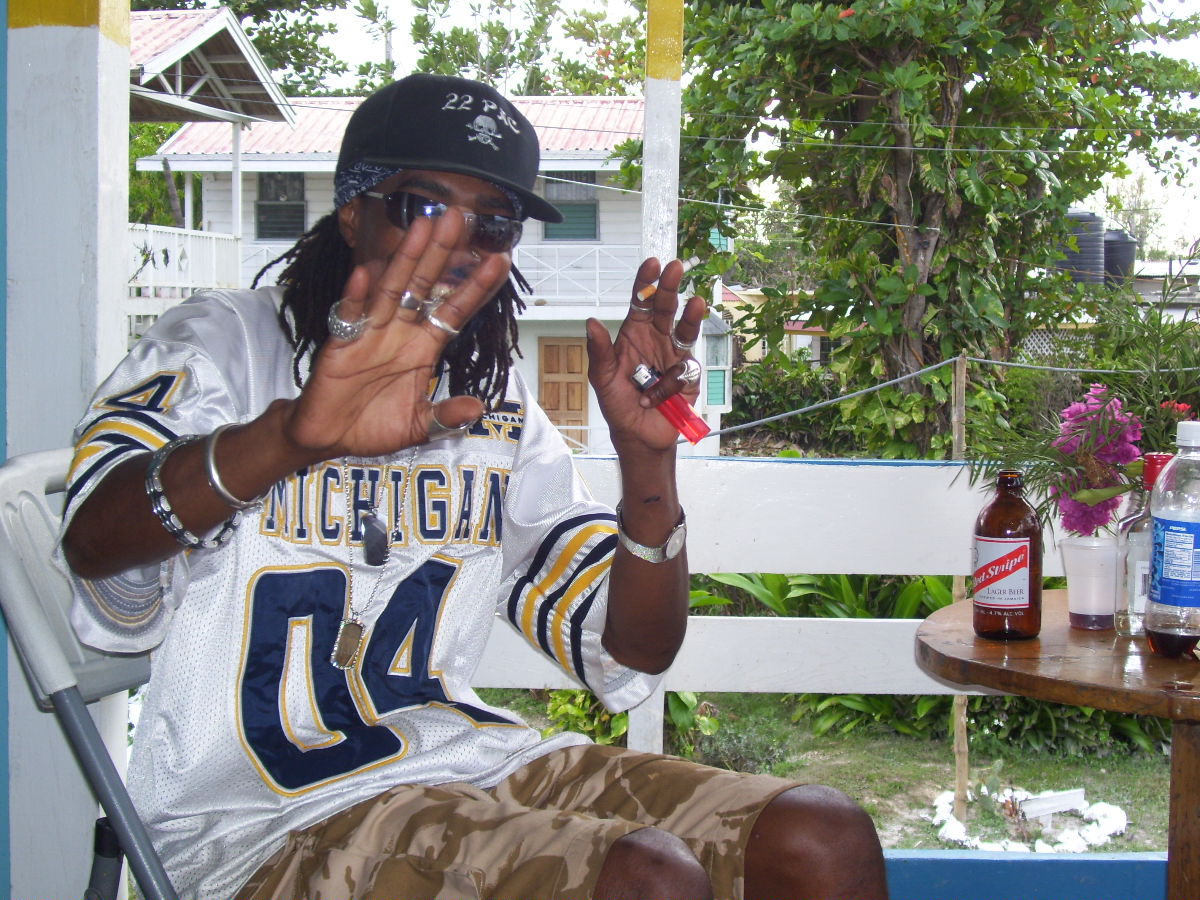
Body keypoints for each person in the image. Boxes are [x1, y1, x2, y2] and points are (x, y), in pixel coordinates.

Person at [59, 73, 887, 900]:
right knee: (647, 882)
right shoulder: (227, 344)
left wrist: (647, 464)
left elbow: (637, 648)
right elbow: (93, 544)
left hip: (464, 765)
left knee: (820, 836)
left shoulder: (488, 400)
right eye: (422, 205)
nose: (456, 240)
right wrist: (287, 438)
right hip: (255, 827)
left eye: (491, 221)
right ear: (352, 213)